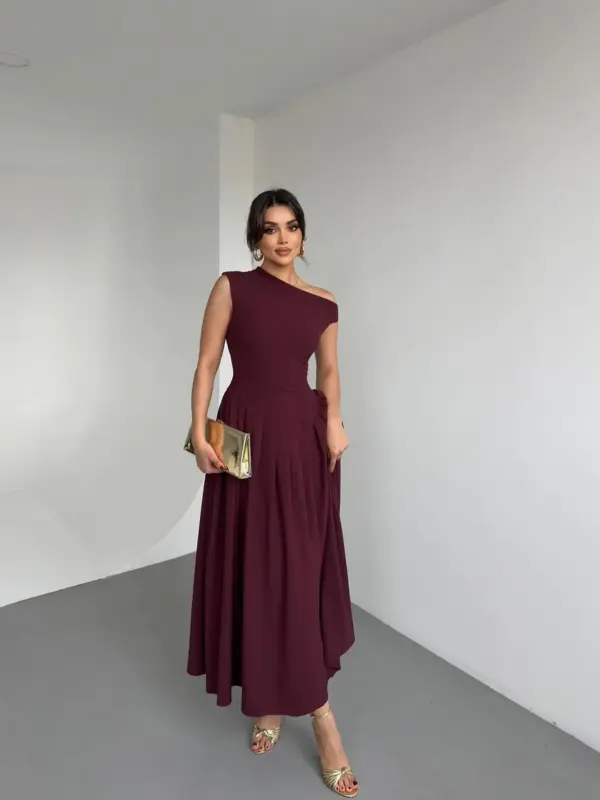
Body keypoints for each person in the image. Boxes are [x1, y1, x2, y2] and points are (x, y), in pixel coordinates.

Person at [187, 188, 358, 796]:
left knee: (299, 569)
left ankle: (320, 714)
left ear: (303, 235)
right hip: (246, 436)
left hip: (302, 443)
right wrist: (198, 428)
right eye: (269, 229)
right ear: (255, 238)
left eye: (291, 227)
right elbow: (208, 363)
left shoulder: (324, 302)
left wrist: (334, 422)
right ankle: (268, 700)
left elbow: (328, 371)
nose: (282, 238)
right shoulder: (232, 286)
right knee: (257, 567)